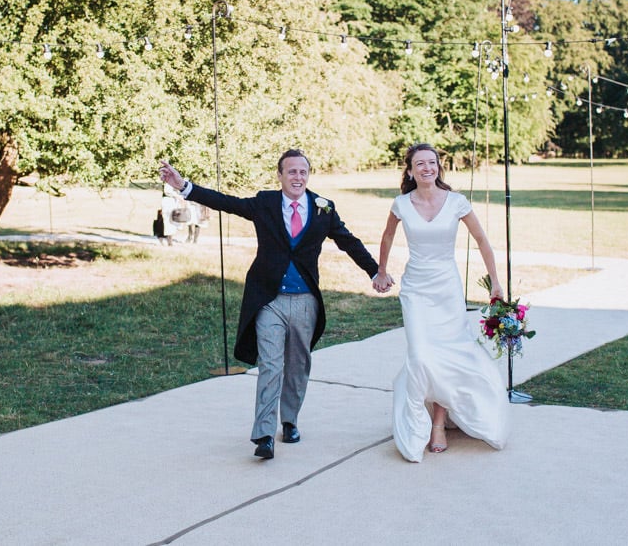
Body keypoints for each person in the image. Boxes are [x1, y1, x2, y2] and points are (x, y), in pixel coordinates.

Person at [159, 150, 386, 460]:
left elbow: (349, 242)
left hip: (305, 300)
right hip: (269, 300)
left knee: (297, 365)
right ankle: (264, 433)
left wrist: (375, 271)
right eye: (291, 171)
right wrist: (183, 186)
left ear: (309, 175)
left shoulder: (323, 209)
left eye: (303, 171)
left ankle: (289, 420)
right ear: (280, 176)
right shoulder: (265, 203)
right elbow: (228, 203)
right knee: (270, 364)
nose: (297, 177)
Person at [372, 143, 510, 463]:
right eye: (419, 164)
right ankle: (417, 422)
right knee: (421, 355)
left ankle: (437, 423)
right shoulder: (401, 204)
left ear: (438, 167)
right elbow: (388, 237)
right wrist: (381, 270)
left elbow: (482, 241)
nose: (426, 168)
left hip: (447, 289)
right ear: (409, 171)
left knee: (447, 354)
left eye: (432, 163)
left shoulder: (457, 202)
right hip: (416, 291)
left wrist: (496, 283)